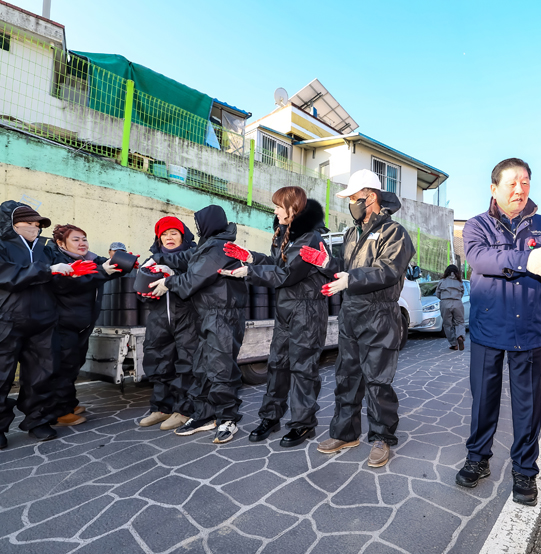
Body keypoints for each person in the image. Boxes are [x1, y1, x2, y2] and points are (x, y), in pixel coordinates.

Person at [457, 158, 541, 506]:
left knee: (526, 405)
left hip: (529, 329)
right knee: (483, 400)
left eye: (526, 182)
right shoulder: (476, 225)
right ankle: (478, 458)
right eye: (512, 183)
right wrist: (525, 260)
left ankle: (525, 470)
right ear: (494, 188)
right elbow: (480, 258)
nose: (520, 189)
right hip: (488, 326)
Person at [299, 169, 415, 468]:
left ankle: (381, 437)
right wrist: (328, 263)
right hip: (351, 313)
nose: (351, 203)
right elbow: (345, 268)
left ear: (371, 196)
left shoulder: (394, 233)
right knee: (346, 377)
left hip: (379, 314)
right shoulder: (351, 233)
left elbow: (388, 270)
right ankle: (345, 433)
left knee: (378, 381)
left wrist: (350, 278)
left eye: (354, 197)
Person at [0, 202, 95, 450]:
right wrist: (46, 270)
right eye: (30, 224)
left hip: (43, 320)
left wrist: (91, 271)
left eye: (37, 224)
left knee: (41, 375)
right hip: (0, 321)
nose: (35, 228)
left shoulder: (46, 251)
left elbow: (67, 276)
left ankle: (39, 420)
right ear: (12, 225)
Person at [220, 187, 330, 447]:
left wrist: (248, 272)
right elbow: (275, 263)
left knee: (303, 369)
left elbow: (287, 275)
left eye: (279, 206)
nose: (275, 210)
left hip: (307, 312)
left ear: (294, 209)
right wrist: (251, 257)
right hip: (285, 310)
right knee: (277, 365)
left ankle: (303, 424)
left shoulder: (310, 239)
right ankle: (271, 417)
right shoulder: (284, 234)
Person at [144, 205, 247, 444]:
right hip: (206, 314)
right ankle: (204, 414)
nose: (197, 227)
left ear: (209, 223)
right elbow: (185, 257)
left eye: (199, 222)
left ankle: (227, 418)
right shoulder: (207, 244)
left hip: (223, 314)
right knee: (201, 368)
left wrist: (169, 283)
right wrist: (158, 258)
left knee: (222, 370)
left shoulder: (220, 246)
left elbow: (194, 279)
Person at [45, 224, 123, 427]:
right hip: (63, 323)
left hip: (82, 324)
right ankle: (60, 411)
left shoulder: (90, 260)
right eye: (76, 239)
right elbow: (67, 285)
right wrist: (102, 272)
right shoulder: (60, 262)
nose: (82, 243)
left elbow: (108, 270)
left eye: (84, 239)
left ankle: (69, 403)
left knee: (73, 365)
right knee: (63, 366)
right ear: (61, 243)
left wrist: (127, 262)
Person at [136, 217, 199, 431]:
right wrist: (145, 291)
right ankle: (161, 407)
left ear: (183, 235)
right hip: (160, 318)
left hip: (187, 317)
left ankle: (183, 410)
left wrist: (173, 281)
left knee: (186, 363)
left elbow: (198, 284)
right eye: (164, 234)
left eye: (174, 233)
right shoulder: (152, 260)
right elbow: (142, 294)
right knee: (158, 360)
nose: (169, 237)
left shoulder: (195, 258)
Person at [435, 264, 466, 350]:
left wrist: (444, 298)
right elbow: (462, 293)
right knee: (459, 322)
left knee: (447, 324)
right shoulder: (460, 282)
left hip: (445, 303)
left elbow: (438, 294)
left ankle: (454, 344)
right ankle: (460, 336)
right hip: (457, 303)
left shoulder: (442, 281)